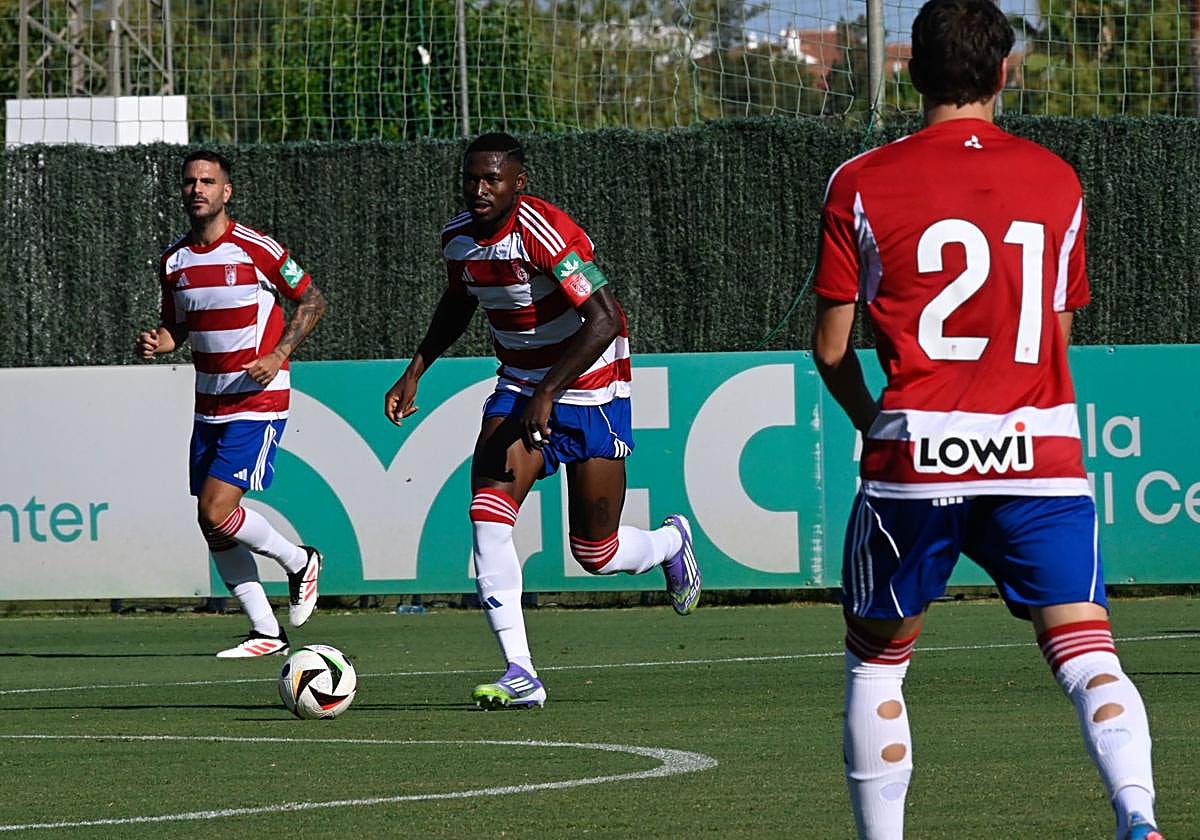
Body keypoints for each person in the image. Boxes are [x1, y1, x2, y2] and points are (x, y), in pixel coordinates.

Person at [810, 2, 1163, 838]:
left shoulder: (860, 181)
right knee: (1088, 653)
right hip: (1037, 449)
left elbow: (830, 350)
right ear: (1004, 74)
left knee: (877, 666)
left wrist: (873, 422)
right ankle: (1139, 817)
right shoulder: (1057, 179)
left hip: (916, 456)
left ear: (910, 71)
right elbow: (1056, 335)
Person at [384, 132, 701, 710]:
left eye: (492, 179)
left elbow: (604, 318)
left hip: (592, 384)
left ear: (518, 183)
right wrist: (417, 369)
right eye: (471, 178)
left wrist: (550, 391)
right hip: (520, 385)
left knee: (596, 552)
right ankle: (520, 671)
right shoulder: (458, 239)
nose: (479, 189)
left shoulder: (545, 231)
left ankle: (668, 542)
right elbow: (460, 301)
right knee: (487, 511)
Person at [137, 150, 327, 659]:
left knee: (217, 508)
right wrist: (163, 342)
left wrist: (280, 353)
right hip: (209, 404)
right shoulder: (174, 262)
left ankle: (299, 560)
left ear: (227, 192)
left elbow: (312, 300)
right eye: (190, 181)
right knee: (210, 520)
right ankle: (266, 631)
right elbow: (178, 326)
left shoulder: (255, 248)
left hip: (258, 399)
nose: (197, 189)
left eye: (208, 181)